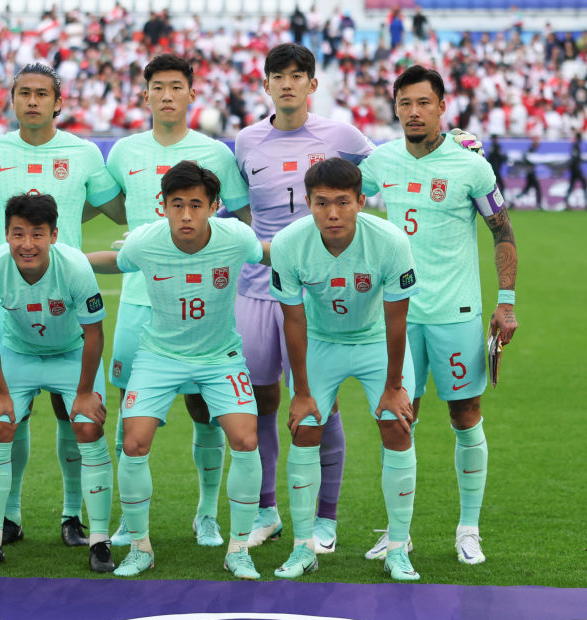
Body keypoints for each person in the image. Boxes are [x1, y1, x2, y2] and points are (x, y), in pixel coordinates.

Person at [360, 65, 519, 566]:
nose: (413, 111)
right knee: (397, 420)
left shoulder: (471, 166)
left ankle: (468, 529)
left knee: (465, 415)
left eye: (423, 102)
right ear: (395, 107)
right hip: (398, 317)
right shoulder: (380, 160)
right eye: (405, 103)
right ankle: (398, 534)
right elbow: (340, 195)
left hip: (456, 313)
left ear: (442, 107)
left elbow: (502, 231)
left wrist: (506, 302)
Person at [87, 161, 271, 580]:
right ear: (163, 206)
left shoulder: (236, 237)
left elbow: (268, 254)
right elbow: (117, 261)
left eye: (196, 205)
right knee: (134, 442)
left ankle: (238, 549)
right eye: (177, 205)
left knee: (246, 439)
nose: (186, 215)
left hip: (220, 356)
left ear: (214, 206)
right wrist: (65, 258)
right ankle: (140, 548)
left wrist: (321, 249)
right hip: (159, 355)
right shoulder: (145, 241)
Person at [105, 53, 251, 549]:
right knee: (130, 410)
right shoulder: (124, 151)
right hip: (140, 299)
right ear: (145, 94)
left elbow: (242, 220)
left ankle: (206, 513)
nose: (167, 95)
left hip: (202, 301)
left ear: (191, 93)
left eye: (176, 86)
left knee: (204, 406)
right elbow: (111, 208)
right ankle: (129, 518)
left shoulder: (215, 153)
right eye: (158, 87)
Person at [233, 43, 374, 554]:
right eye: (279, 76)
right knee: (259, 401)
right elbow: (237, 209)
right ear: (265, 84)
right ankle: (266, 511)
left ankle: (324, 518)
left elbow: (389, 172)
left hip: (315, 293)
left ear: (312, 84)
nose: (288, 84)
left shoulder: (341, 136)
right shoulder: (246, 141)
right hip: (256, 289)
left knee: (319, 403)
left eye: (297, 76)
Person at [0, 62, 124, 548]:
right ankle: (9, 517)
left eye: (42, 93)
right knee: (9, 418)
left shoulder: (84, 152)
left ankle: (72, 515)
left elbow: (115, 207)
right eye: (24, 93)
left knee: (73, 417)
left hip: (68, 297)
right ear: (12, 99)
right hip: (14, 304)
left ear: (58, 102)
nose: (33, 101)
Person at [269, 158, 420, 582]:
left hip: (376, 340)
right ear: (307, 203)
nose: (332, 214)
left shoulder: (390, 241)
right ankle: (303, 547)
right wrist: (301, 392)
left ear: (361, 201)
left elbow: (397, 319)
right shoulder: (288, 243)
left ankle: (398, 548)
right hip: (321, 340)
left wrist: (394, 386)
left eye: (342, 202)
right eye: (321, 203)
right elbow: (293, 321)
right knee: (305, 427)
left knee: (396, 424)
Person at [0, 193, 114, 573]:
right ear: (6, 234)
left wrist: (85, 393)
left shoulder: (76, 267)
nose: (27, 244)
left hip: (71, 353)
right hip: (19, 354)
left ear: (54, 235)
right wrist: (0, 392)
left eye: (37, 234)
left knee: (87, 425)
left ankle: (99, 540)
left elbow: (94, 333)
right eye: (18, 234)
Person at [565, 132, 587, 209]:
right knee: (584, 183)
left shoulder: (575, 145)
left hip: (574, 169)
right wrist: (582, 158)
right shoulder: (576, 145)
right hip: (576, 169)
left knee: (572, 185)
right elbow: (575, 158)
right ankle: (586, 202)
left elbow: (574, 157)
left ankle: (566, 202)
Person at [487, 135, 508, 200]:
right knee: (500, 185)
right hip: (495, 170)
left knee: (497, 186)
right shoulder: (494, 147)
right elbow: (499, 157)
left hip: (495, 170)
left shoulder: (494, 147)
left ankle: (500, 199)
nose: (495, 140)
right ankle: (500, 200)